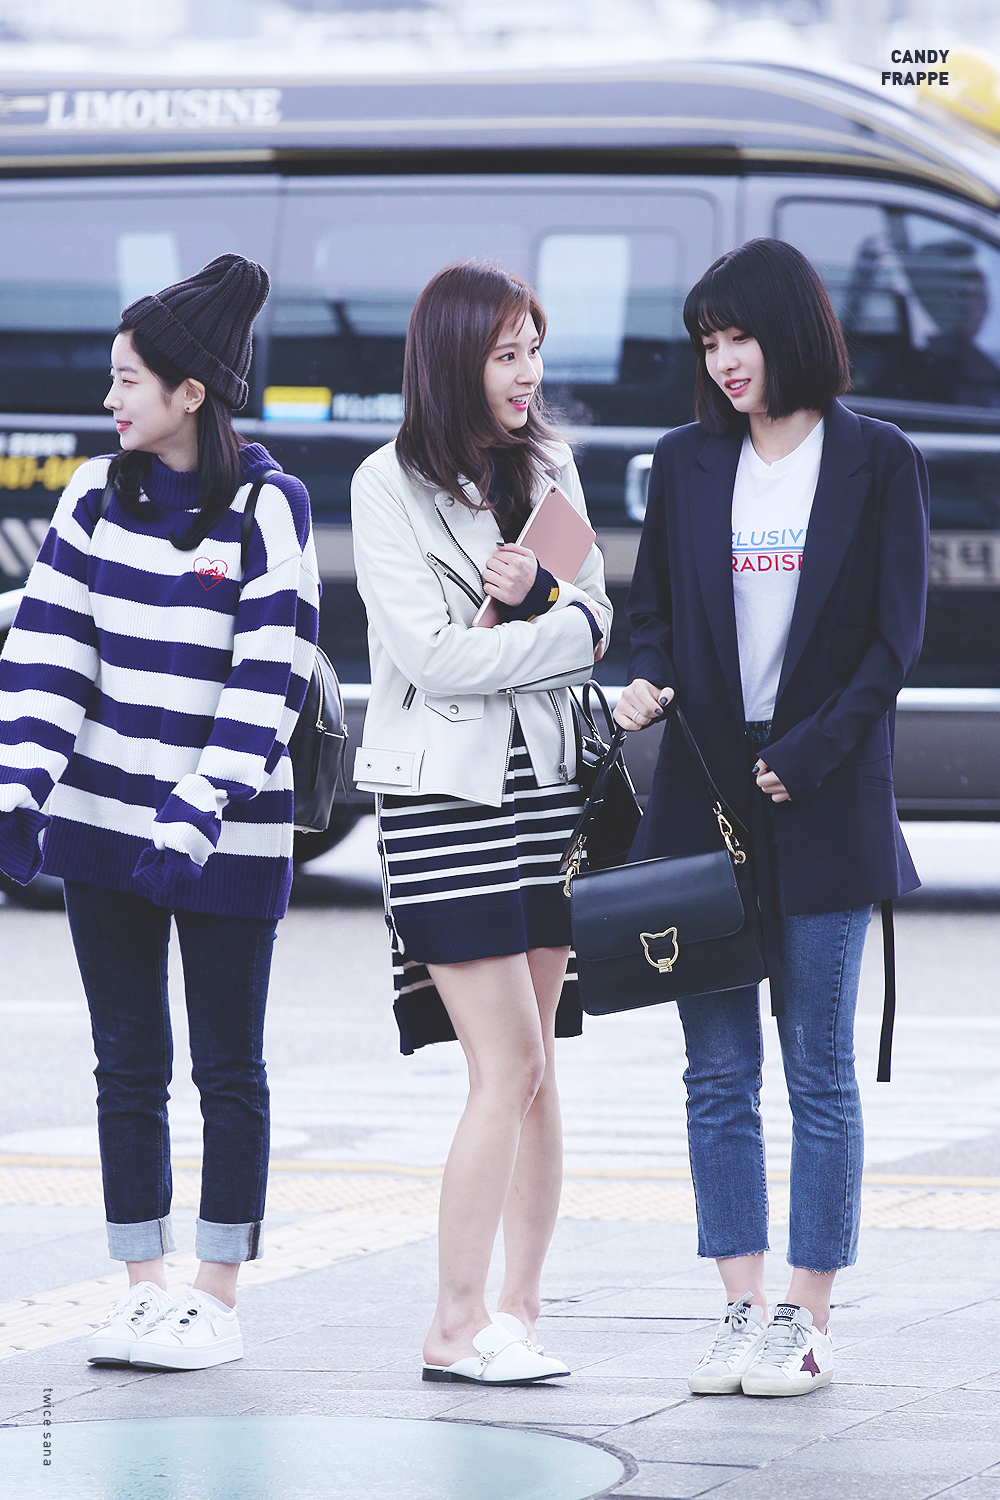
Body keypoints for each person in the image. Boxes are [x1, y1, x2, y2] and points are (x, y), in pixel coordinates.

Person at [615, 238, 928, 1397]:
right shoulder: (687, 460)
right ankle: (738, 1308)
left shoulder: (877, 459)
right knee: (715, 1071)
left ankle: (806, 1313)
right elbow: (652, 615)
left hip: (824, 793)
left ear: (790, 329)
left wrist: (809, 753)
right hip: (703, 794)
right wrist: (643, 679)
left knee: (817, 1070)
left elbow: (893, 640)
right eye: (708, 341)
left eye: (739, 335)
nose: (723, 360)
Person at [0, 255, 320, 1370]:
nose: (109, 399)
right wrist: (20, 783)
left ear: (192, 392)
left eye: (127, 380)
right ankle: (144, 1286)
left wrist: (197, 808)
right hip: (102, 823)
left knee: (227, 1067)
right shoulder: (94, 494)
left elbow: (271, 677)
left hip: (226, 834)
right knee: (126, 1062)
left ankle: (215, 1296)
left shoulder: (269, 508)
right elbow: (52, 648)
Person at [351, 260, 611, 1385]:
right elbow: (433, 660)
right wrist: (545, 627)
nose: (527, 373)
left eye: (534, 350)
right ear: (456, 361)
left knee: (538, 1068)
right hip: (443, 798)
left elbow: (597, 617)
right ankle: (453, 1327)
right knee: (503, 1065)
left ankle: (518, 1310)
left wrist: (542, 607)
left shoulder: (549, 468)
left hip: (545, 791)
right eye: (507, 354)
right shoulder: (387, 485)